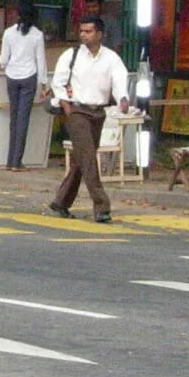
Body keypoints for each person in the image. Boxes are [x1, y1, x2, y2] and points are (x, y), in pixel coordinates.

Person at [48, 14, 131, 223]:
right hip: (77, 111)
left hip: (98, 112)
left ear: (99, 34)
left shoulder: (111, 58)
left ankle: (61, 202)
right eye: (82, 31)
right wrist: (66, 105)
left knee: (81, 159)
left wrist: (122, 99)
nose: (83, 35)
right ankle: (101, 205)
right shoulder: (71, 54)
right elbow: (58, 81)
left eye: (88, 31)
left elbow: (120, 79)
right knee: (89, 159)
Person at [0, 3, 48, 170]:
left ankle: (9, 161)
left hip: (11, 77)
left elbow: (3, 60)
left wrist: (8, 65)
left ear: (18, 15)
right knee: (23, 119)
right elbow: (41, 61)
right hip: (29, 78)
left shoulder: (8, 33)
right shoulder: (37, 35)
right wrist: (43, 84)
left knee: (14, 118)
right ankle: (16, 162)